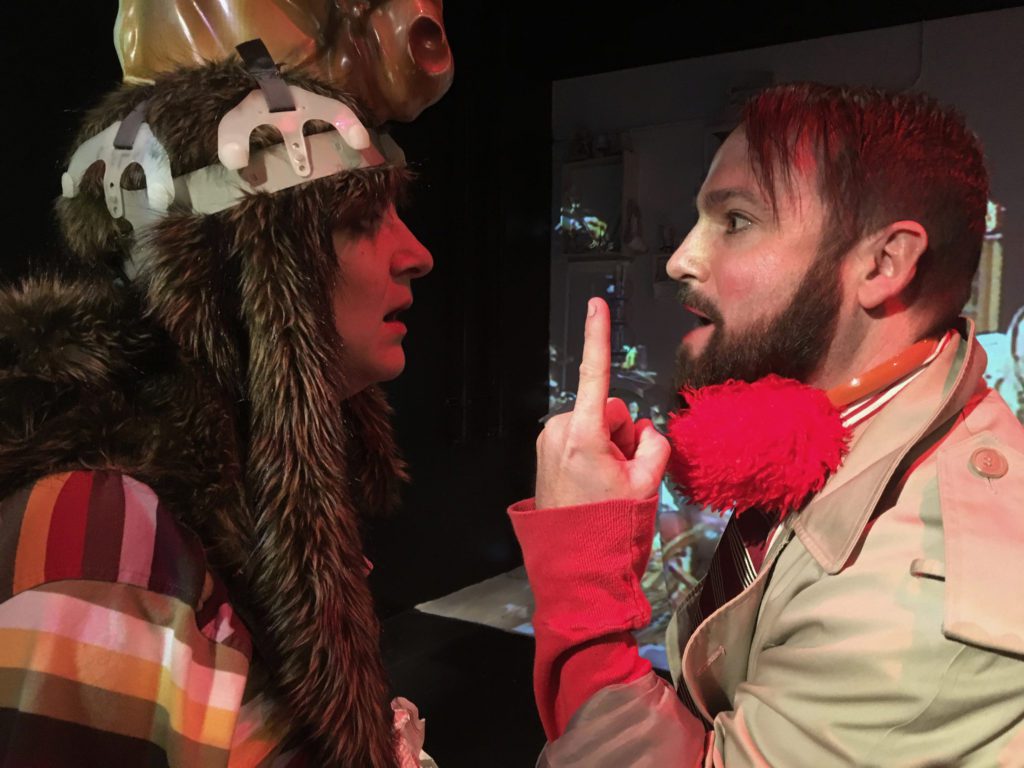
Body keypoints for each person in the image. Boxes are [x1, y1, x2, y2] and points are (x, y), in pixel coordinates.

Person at [510, 83, 1024, 766]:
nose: (680, 259)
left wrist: (584, 584)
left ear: (883, 263)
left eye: (735, 220)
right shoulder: (843, 440)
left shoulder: (926, 597)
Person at [0, 50, 435, 767]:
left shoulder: (233, 499)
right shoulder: (99, 535)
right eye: (360, 217)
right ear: (234, 266)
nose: (416, 254)